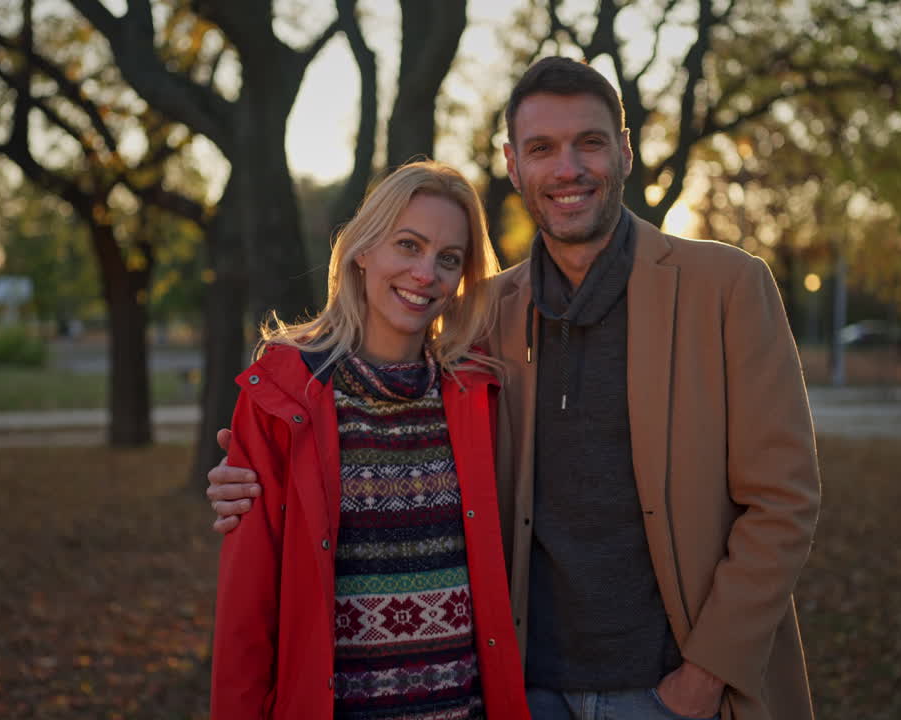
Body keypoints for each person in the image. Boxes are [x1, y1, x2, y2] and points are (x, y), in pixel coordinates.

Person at [210, 58, 821, 720]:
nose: (568, 168)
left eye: (590, 142)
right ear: (513, 163)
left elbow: (783, 499)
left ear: (625, 150)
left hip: (670, 692)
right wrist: (257, 477)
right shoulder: (485, 318)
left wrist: (702, 678)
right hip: (523, 692)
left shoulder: (726, 288)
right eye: (542, 148)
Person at [210, 160, 530, 720]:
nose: (425, 273)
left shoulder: (481, 396)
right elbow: (246, 607)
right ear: (363, 250)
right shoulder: (282, 396)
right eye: (408, 245)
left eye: (448, 259)